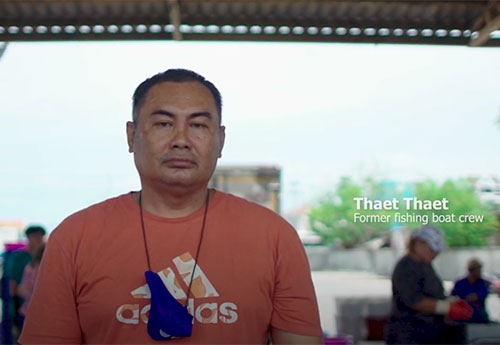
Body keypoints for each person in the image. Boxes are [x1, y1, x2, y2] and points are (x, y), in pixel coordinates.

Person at [19, 69, 323, 344]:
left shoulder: (274, 237)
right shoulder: (74, 237)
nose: (181, 140)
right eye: (164, 123)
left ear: (220, 138)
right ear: (131, 136)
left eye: (199, 125)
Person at [384, 224, 473, 344]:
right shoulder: (406, 266)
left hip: (428, 333)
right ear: (419, 243)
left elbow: (432, 293)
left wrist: (451, 302)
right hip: (408, 334)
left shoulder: (425, 265)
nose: (435, 254)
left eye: (437, 251)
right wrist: (447, 308)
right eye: (432, 250)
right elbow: (413, 300)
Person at [4, 225, 46, 335]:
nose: (38, 239)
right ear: (28, 237)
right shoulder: (19, 257)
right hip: (23, 307)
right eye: (35, 236)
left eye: (40, 236)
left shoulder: (44, 256)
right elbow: (11, 285)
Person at [451, 258, 495, 323]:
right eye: (477, 269)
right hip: (463, 311)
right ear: (471, 270)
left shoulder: (484, 283)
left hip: (479, 312)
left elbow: (486, 291)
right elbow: (452, 296)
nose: (480, 271)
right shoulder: (460, 283)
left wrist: (477, 296)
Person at [17, 244, 45, 328]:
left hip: (28, 311)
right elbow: (22, 290)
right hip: (32, 313)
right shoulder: (33, 268)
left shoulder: (30, 267)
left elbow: (21, 290)